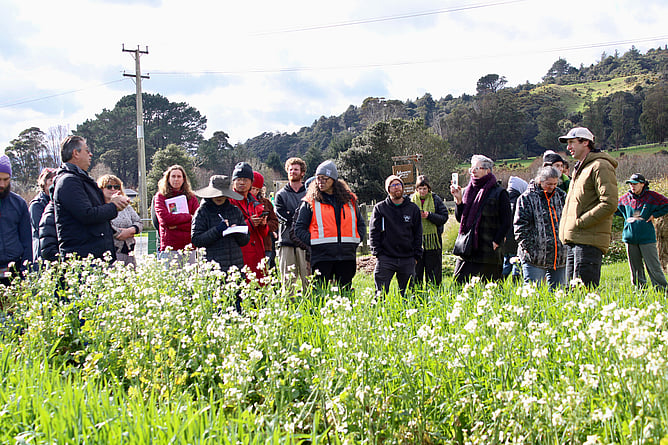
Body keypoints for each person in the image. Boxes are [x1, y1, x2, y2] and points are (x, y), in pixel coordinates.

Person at [558, 127, 618, 288]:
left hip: (588, 240)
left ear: (586, 142)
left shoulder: (600, 166)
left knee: (584, 294)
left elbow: (609, 203)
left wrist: (580, 222)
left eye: (572, 142)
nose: (568, 147)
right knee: (572, 296)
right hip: (574, 240)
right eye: (567, 143)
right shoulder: (582, 168)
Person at [53, 136, 129, 262]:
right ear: (75, 153)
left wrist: (111, 202)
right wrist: (113, 206)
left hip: (95, 256)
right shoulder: (69, 181)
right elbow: (87, 214)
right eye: (87, 151)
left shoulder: (81, 179)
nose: (91, 154)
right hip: (84, 259)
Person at [294, 160, 365, 293]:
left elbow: (360, 224)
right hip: (322, 257)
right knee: (319, 294)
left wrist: (356, 240)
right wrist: (314, 242)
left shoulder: (350, 200)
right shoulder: (310, 201)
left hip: (346, 256)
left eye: (324, 178)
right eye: (318, 178)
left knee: (345, 293)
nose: (320, 182)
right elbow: (299, 229)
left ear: (333, 179)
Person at [450, 155, 512, 284]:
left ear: (487, 170)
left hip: (489, 251)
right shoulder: (467, 191)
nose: (473, 171)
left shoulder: (499, 192)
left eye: (477, 168)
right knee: (459, 286)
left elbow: (507, 222)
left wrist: (496, 241)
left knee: (490, 290)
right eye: (471, 168)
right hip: (468, 249)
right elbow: (459, 219)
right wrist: (458, 200)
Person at [514, 167, 567, 289]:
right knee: (533, 293)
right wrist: (530, 249)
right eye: (548, 184)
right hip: (535, 258)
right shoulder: (526, 198)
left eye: (555, 184)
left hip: (560, 257)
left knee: (559, 293)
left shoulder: (561, 196)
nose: (552, 187)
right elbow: (520, 227)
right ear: (540, 181)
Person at [369, 174, 422, 297]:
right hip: (386, 258)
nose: (396, 188)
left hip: (408, 258)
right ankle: (380, 314)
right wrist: (378, 253)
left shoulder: (413, 208)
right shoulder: (380, 208)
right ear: (388, 189)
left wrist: (416, 255)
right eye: (393, 185)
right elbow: (374, 232)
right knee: (380, 294)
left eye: (399, 184)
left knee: (408, 295)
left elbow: (418, 233)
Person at [615, 173, 668, 290]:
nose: (632, 187)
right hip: (630, 239)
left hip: (647, 238)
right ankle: (639, 292)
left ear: (643, 184)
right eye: (630, 184)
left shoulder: (652, 196)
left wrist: (655, 215)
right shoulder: (625, 198)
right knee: (635, 268)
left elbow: (666, 204)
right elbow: (614, 209)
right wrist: (627, 217)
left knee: (653, 267)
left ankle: (662, 290)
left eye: (635, 184)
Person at [191, 175, 249, 273]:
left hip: (235, 266)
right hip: (212, 268)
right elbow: (196, 240)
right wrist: (217, 230)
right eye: (216, 194)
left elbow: (245, 240)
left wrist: (237, 232)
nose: (219, 197)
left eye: (222, 194)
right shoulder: (202, 212)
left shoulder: (235, 211)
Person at [228, 162, 268, 280]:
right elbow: (228, 228)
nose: (241, 182)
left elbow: (264, 234)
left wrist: (262, 225)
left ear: (251, 182)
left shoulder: (255, 202)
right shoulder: (228, 202)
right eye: (238, 179)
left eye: (245, 179)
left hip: (257, 253)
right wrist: (249, 223)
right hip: (238, 254)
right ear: (233, 181)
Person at [275, 157, 310, 287]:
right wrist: (301, 217)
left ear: (302, 173)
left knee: (309, 281)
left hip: (305, 243)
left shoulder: (309, 193)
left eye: (296, 169)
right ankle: (289, 306)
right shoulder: (280, 195)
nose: (292, 172)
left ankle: (311, 306)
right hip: (286, 242)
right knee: (287, 282)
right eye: (290, 169)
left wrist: (294, 215)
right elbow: (282, 215)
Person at [154, 165, 199, 263]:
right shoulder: (160, 197)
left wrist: (175, 226)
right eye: (173, 176)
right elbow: (165, 220)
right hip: (170, 247)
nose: (176, 179)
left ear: (184, 179)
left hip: (189, 247)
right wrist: (188, 217)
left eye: (179, 176)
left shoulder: (191, 197)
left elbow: (197, 220)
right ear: (168, 179)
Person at [410, 175, 448, 287]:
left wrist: (430, 216)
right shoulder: (410, 201)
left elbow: (444, 217)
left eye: (425, 189)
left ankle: (435, 294)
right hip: (416, 242)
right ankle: (417, 295)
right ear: (416, 189)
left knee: (433, 272)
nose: (422, 191)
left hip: (433, 242)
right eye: (420, 189)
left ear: (429, 189)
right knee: (417, 272)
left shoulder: (436, 200)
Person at [98, 175, 143, 266]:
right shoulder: (100, 208)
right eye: (109, 187)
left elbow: (139, 222)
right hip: (112, 253)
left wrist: (131, 230)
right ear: (101, 189)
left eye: (116, 187)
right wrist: (119, 233)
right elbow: (105, 225)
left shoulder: (126, 206)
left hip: (129, 252)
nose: (113, 189)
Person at [0, 155, 31, 285]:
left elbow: (27, 241)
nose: (2, 184)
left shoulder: (19, 204)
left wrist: (25, 271)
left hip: (14, 270)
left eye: (6, 180)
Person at [251, 172, 279, 269]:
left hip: (265, 244)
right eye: (252, 188)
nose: (253, 192)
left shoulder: (266, 203)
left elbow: (275, 222)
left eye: (256, 189)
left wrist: (265, 225)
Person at [502, 176, 528, 280]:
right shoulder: (519, 202)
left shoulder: (505, 199)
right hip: (514, 239)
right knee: (516, 262)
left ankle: (499, 282)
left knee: (507, 261)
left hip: (505, 239)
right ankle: (515, 282)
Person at [29, 168, 56, 261]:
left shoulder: (58, 201)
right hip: (42, 251)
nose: (54, 183)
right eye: (51, 180)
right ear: (44, 182)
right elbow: (41, 229)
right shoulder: (37, 205)